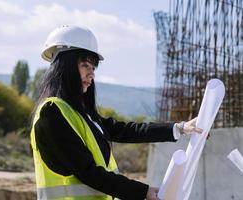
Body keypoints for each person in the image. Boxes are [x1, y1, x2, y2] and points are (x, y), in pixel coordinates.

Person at [30, 25, 202, 200]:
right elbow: (87, 171)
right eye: (85, 65)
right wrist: (143, 192)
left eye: (93, 68)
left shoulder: (81, 114)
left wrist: (180, 128)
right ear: (64, 66)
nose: (91, 74)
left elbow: (126, 130)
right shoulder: (51, 114)